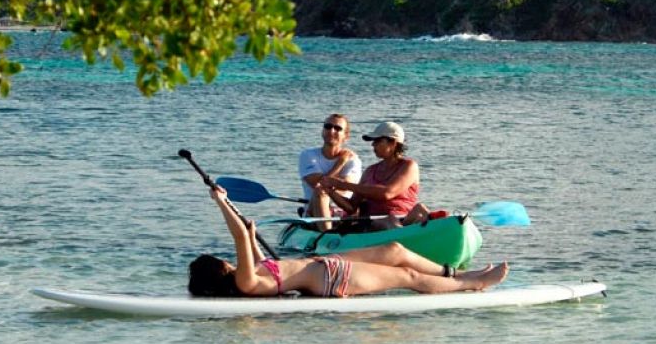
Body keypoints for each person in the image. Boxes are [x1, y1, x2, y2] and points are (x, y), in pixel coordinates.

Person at [187, 186, 509, 297]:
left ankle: (457, 274)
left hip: (326, 267)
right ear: (219, 270)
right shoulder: (245, 282)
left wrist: (250, 228)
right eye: (221, 261)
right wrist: (222, 202)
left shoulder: (252, 274)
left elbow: (250, 240)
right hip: (332, 278)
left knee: (395, 250)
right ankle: (473, 285)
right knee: (407, 277)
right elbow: (240, 236)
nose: (227, 260)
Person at [318, 121, 429, 229]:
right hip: (375, 222)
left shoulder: (409, 166)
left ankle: (411, 232)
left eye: (377, 140)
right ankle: (404, 235)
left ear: (393, 143)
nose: (373, 144)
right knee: (388, 220)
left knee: (420, 209)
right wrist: (330, 191)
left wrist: (343, 184)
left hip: (403, 218)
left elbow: (387, 193)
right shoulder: (370, 171)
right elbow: (351, 207)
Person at [298, 114, 362, 229]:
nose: (331, 131)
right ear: (323, 131)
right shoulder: (307, 155)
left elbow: (346, 186)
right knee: (320, 192)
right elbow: (317, 184)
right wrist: (340, 163)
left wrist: (330, 183)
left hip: (341, 211)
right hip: (314, 210)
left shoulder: (353, 160)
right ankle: (326, 234)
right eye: (328, 126)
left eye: (338, 128)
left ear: (346, 136)